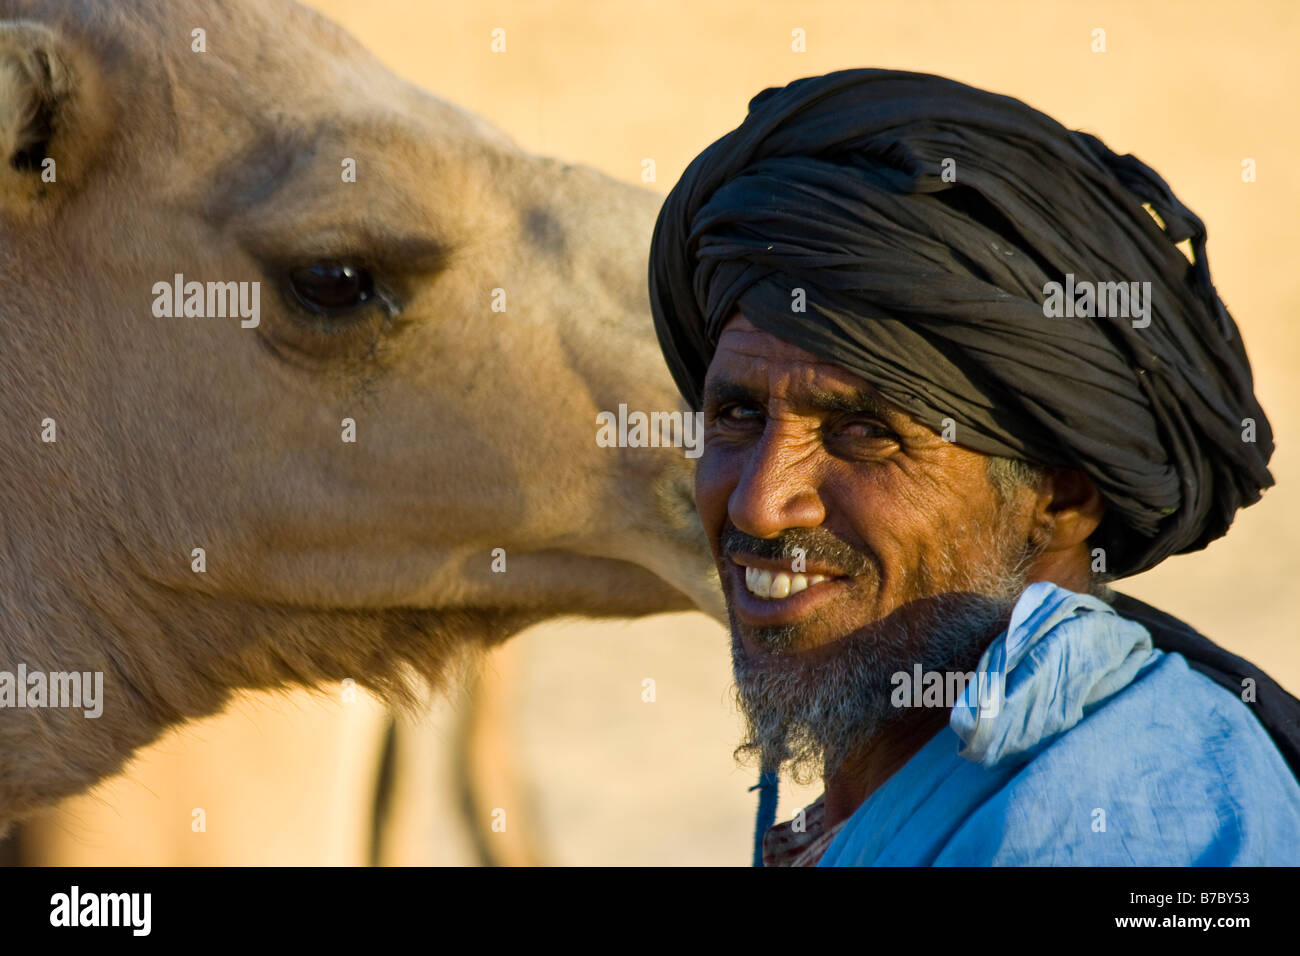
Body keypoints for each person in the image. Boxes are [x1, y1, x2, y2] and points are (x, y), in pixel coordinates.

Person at [647, 68, 1300, 866]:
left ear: (1061, 497)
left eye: (863, 433)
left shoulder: (1134, 823)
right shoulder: (910, 783)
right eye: (739, 417)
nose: (759, 504)